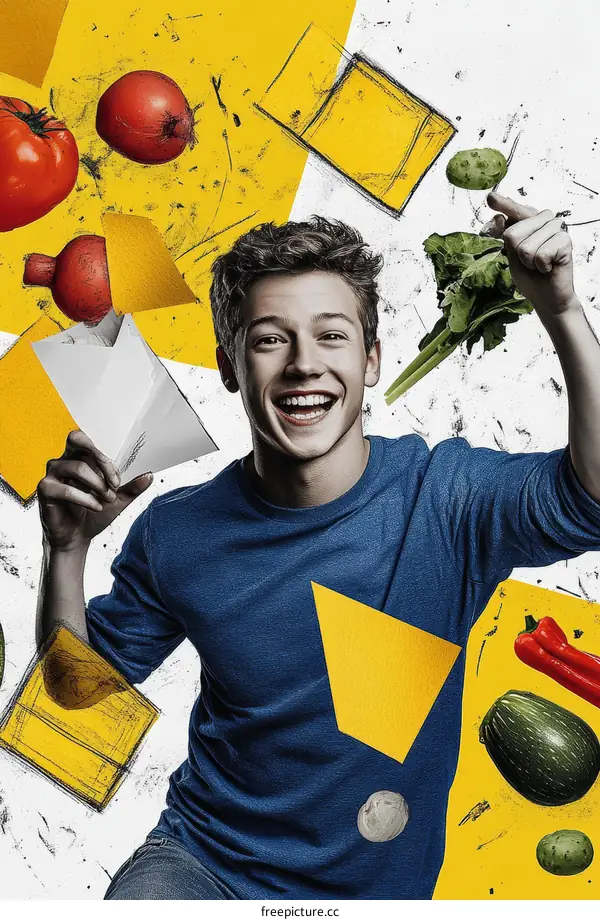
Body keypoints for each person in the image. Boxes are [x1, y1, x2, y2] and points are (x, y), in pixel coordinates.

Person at [36, 193, 600, 900]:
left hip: (374, 892)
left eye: (331, 336)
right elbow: (77, 697)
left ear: (371, 361)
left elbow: (593, 500)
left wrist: (562, 308)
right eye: (271, 339)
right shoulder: (177, 532)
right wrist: (66, 550)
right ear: (230, 367)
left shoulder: (447, 499)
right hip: (204, 865)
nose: (303, 364)